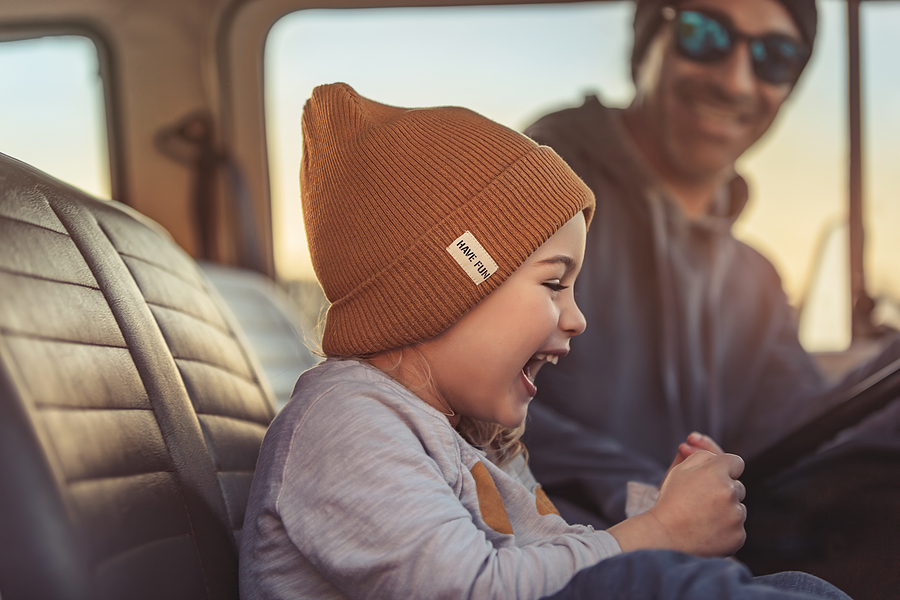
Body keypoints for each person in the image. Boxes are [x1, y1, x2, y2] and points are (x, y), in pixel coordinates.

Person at [238, 82, 851, 599]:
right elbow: (476, 588)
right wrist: (660, 533)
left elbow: (553, 549)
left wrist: (657, 508)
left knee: (794, 585)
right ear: (461, 281)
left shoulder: (471, 435)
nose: (577, 318)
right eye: (554, 283)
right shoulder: (347, 426)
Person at [521, 0, 900, 534]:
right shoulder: (527, 198)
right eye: (705, 34)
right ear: (647, 42)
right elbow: (449, 398)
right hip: (550, 545)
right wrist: (654, 503)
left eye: (775, 55)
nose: (737, 81)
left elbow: (799, 439)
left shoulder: (756, 283)